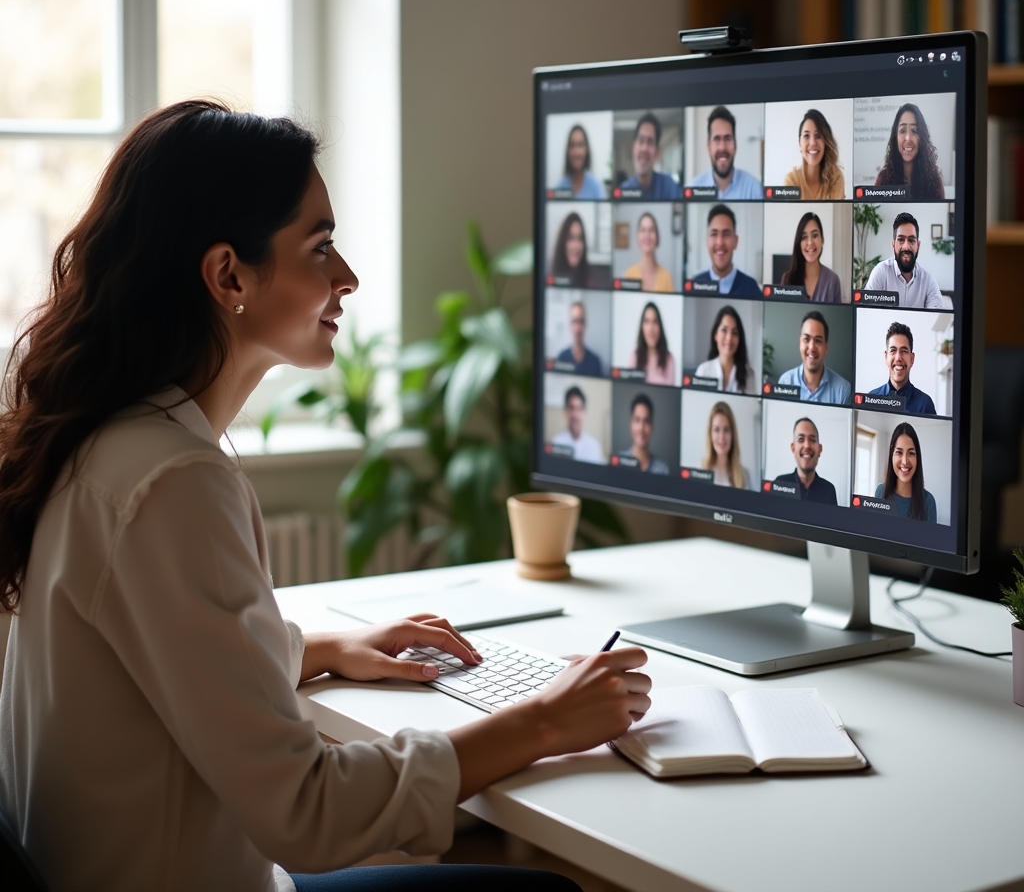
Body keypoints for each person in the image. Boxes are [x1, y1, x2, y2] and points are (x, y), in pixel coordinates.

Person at [0, 101, 652, 892]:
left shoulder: (102, 439)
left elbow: (156, 663)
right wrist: (543, 721)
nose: (347, 277)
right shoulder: (173, 481)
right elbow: (308, 812)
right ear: (228, 275)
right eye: (321, 246)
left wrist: (312, 650)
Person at [863, 212, 944, 308]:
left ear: (918, 245)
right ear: (893, 244)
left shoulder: (929, 282)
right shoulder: (880, 272)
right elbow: (868, 310)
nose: (906, 246)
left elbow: (934, 318)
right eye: (901, 239)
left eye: (911, 240)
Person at [685, 105, 763, 200]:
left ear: (735, 146)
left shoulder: (754, 189)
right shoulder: (693, 188)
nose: (722, 147)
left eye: (728, 138)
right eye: (717, 139)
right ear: (708, 147)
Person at [873, 102, 946, 200]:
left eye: (914, 131)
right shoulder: (883, 179)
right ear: (895, 137)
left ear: (922, 137)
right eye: (902, 131)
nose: (908, 138)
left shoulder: (934, 181)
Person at [777, 310, 851, 405]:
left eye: (818, 341)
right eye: (806, 339)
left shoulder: (843, 390)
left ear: (826, 347)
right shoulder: (785, 381)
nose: (812, 347)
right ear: (800, 343)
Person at [689, 205, 762, 298]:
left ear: (735, 241)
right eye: (714, 234)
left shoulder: (751, 288)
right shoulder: (695, 285)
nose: (720, 242)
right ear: (707, 241)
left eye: (726, 234)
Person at [867, 322, 937, 414]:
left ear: (912, 359)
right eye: (893, 350)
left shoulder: (925, 404)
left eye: (904, 351)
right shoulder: (871, 399)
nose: (898, 358)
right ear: (886, 357)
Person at [874, 421, 938, 522]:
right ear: (892, 455)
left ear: (918, 458)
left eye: (911, 453)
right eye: (899, 452)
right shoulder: (880, 491)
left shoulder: (928, 502)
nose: (904, 461)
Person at [781, 109, 846, 200]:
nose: (812, 143)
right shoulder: (791, 180)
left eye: (818, 136)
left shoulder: (836, 178)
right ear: (800, 143)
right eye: (806, 136)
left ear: (825, 142)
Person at [780, 211, 844, 302]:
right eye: (804, 237)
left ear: (822, 240)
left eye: (815, 235)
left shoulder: (833, 280)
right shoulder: (787, 279)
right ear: (799, 243)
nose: (810, 243)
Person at [773, 417, 838, 504]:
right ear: (793, 448)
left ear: (820, 449)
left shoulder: (829, 490)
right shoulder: (779, 483)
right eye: (801, 439)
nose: (807, 445)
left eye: (812, 439)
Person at [694, 304, 755, 393]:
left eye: (734, 333)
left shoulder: (749, 374)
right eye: (724, 330)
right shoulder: (703, 371)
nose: (729, 338)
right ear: (715, 335)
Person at [620, 112, 681, 199]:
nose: (644, 148)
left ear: (657, 152)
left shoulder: (669, 186)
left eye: (650, 142)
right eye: (641, 140)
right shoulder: (624, 190)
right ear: (633, 148)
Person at [701, 401, 751, 490]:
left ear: (733, 434)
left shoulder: (744, 475)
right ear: (710, 433)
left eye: (726, 430)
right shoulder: (700, 471)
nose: (721, 437)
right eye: (716, 430)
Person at [551, 386, 606, 464]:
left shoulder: (595, 446)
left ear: (584, 412)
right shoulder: (556, 443)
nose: (575, 415)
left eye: (579, 408)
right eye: (571, 408)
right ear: (566, 411)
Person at [617, 392, 670, 474]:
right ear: (631, 424)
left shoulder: (662, 469)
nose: (641, 428)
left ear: (652, 427)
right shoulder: (618, 461)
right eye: (637, 420)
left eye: (646, 421)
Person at [622, 212, 674, 292]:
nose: (647, 235)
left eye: (651, 230)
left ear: (657, 237)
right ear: (638, 237)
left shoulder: (666, 277)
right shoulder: (629, 274)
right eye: (643, 230)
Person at [627, 301, 676, 385]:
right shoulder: (634, 356)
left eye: (655, 322)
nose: (651, 329)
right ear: (642, 326)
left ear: (660, 326)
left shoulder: (669, 359)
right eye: (647, 321)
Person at [554, 124, 605, 199]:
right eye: (572, 145)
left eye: (580, 145)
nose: (576, 152)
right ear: (568, 151)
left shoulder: (596, 187)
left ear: (586, 150)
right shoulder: (560, 187)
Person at [555, 300, 603, 376]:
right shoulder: (562, 357)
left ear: (585, 325)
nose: (578, 328)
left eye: (581, 321)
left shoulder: (595, 361)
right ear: (569, 325)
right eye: (575, 321)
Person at [550, 210, 590, 287]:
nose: (576, 245)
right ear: (563, 242)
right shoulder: (551, 278)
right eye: (571, 238)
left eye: (580, 238)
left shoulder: (590, 282)